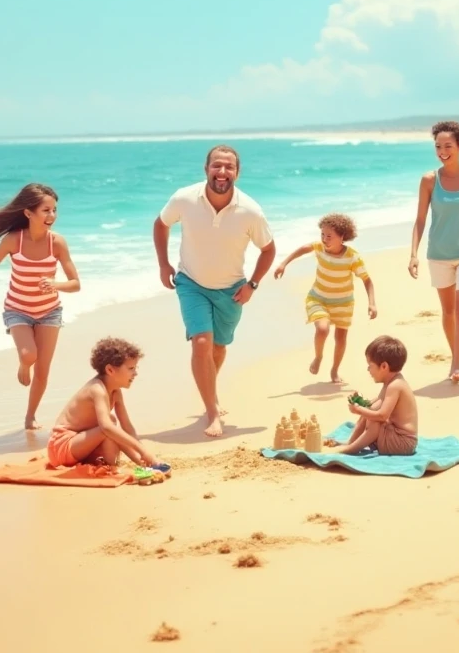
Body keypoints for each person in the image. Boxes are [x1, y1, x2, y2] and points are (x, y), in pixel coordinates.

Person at [153, 144, 276, 437]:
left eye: (229, 167)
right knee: (201, 344)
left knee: (218, 347)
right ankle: (211, 412)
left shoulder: (250, 210)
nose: (222, 172)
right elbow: (160, 224)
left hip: (231, 290)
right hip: (191, 283)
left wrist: (252, 285)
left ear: (237, 172)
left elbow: (269, 250)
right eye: (216, 166)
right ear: (206, 168)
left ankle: (210, 392)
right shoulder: (184, 198)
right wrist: (163, 265)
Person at [0, 182, 80, 430]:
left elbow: (75, 283)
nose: (51, 216)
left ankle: (30, 416)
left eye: (54, 210)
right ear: (28, 213)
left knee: (43, 371)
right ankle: (23, 364)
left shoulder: (58, 243)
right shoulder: (14, 241)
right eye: (45, 210)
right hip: (17, 309)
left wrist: (55, 284)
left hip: (50, 312)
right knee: (29, 355)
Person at [408, 120, 459, 384]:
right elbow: (420, 219)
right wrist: (413, 254)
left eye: (448, 146)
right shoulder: (429, 180)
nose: (442, 151)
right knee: (447, 312)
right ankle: (455, 354)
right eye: (438, 146)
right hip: (439, 254)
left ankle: (455, 364)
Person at [274, 213, 377, 383]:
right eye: (322, 234)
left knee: (340, 338)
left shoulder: (352, 256)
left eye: (329, 236)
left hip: (343, 303)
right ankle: (318, 357)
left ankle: (335, 370)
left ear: (342, 237)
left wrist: (372, 303)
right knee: (322, 329)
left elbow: (367, 280)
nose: (324, 239)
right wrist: (283, 263)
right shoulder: (319, 248)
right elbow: (303, 249)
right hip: (318, 298)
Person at [47, 337, 156, 468]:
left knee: (111, 425)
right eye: (131, 368)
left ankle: (110, 466)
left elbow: (127, 427)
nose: (135, 373)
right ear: (110, 370)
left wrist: (141, 459)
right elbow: (106, 428)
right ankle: (110, 469)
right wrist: (142, 451)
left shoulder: (116, 392)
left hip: (84, 444)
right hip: (63, 446)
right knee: (109, 424)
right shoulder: (97, 389)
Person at [334, 336, 418, 456]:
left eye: (370, 365)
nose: (368, 370)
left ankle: (351, 449)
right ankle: (350, 443)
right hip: (395, 436)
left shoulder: (395, 386)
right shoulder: (390, 383)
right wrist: (361, 403)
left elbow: (382, 415)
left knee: (374, 420)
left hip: (404, 442)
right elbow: (376, 404)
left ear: (384, 366)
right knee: (368, 412)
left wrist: (359, 410)